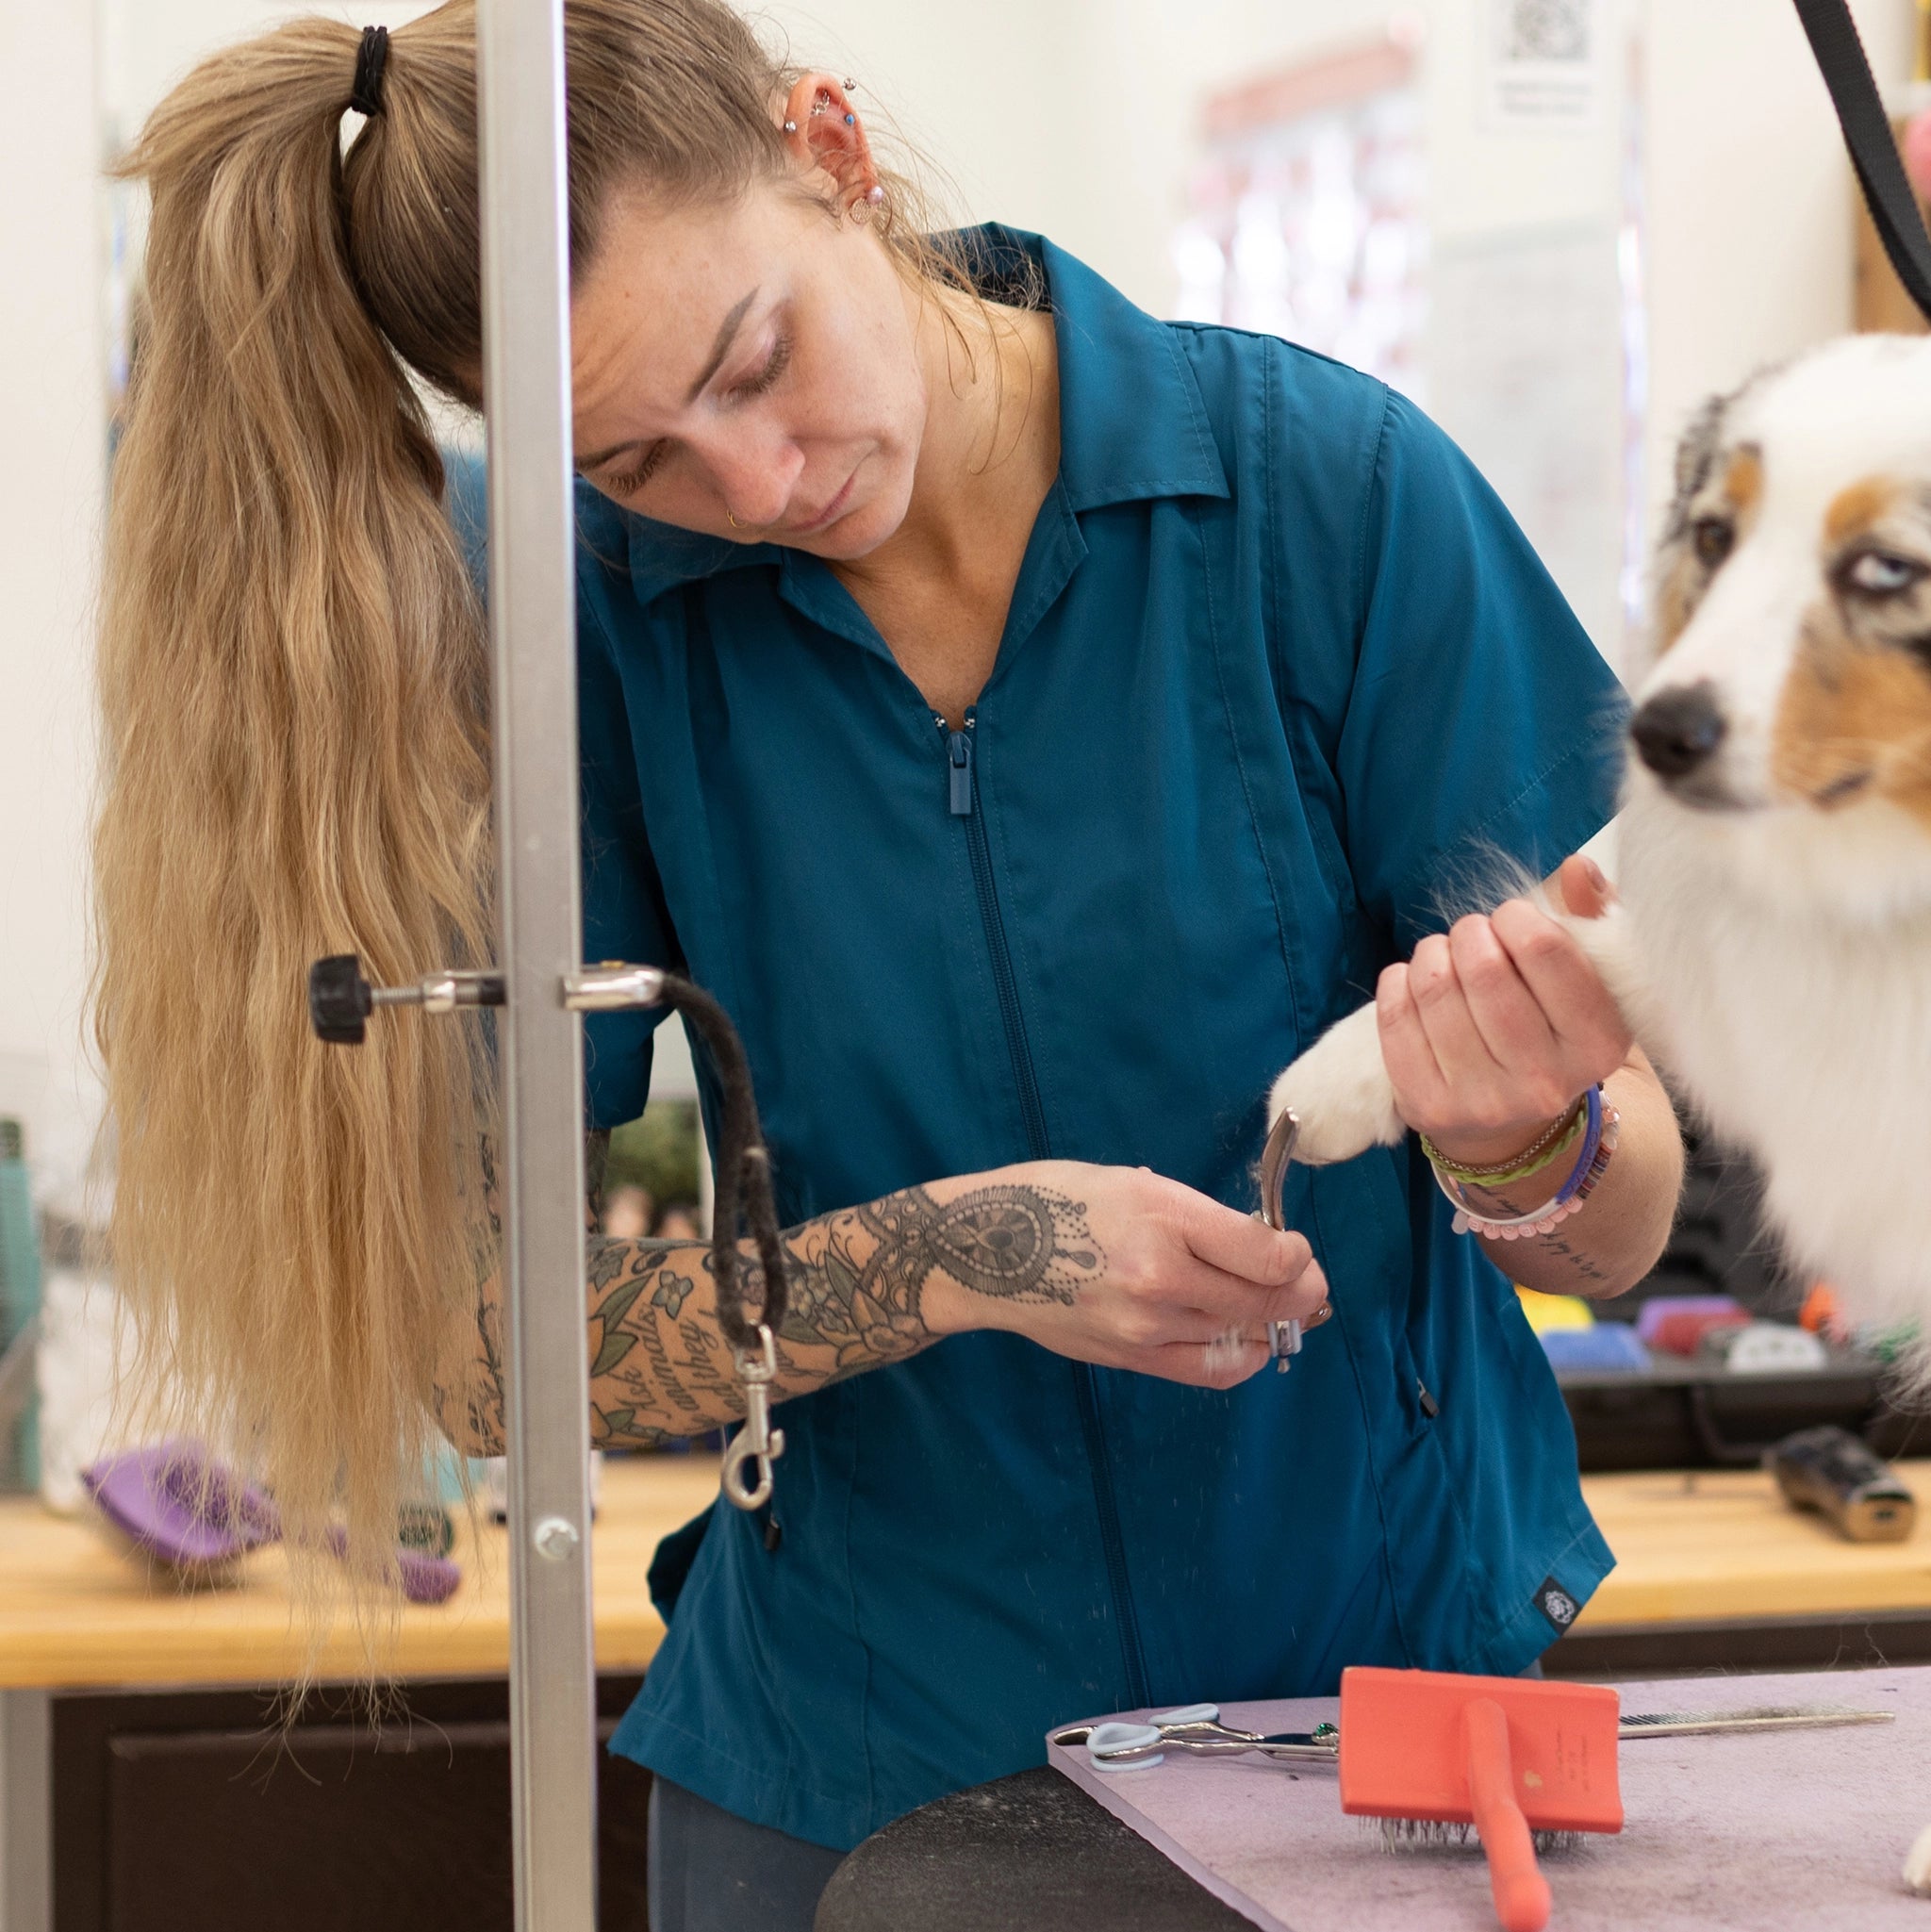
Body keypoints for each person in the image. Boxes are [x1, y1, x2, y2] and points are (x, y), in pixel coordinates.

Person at [91, 4, 1684, 1927]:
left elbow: (1622, 1229)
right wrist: (961, 1255)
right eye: (635, 455)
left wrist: (1524, 1144)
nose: (756, 484)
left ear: (832, 151)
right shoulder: (582, 621)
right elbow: (478, 1345)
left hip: (1382, 1745)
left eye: (757, 361)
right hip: (856, 1774)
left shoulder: (1319, 499)